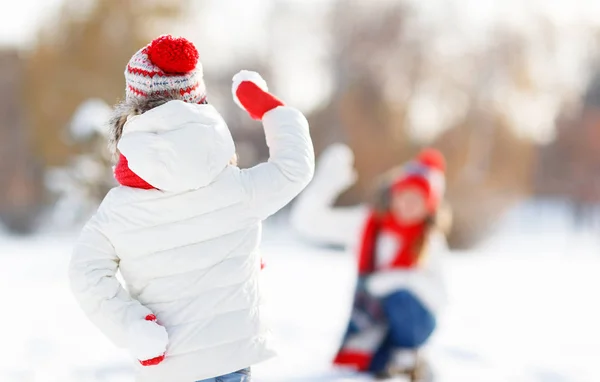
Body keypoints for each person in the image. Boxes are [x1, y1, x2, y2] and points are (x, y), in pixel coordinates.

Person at [68, 35, 314, 382]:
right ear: (199, 102)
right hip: (233, 356)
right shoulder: (236, 189)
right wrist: (272, 111)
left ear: (132, 111)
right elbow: (294, 169)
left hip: (170, 364)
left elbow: (85, 272)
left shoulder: (121, 209)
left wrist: (132, 328)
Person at [290, 145, 450, 379]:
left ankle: (409, 355)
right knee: (365, 369)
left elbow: (439, 297)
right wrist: (327, 182)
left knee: (401, 297)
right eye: (405, 194)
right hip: (373, 319)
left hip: (416, 322)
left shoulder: (431, 240)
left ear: (429, 207)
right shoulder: (365, 223)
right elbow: (306, 222)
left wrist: (397, 280)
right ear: (394, 194)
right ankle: (393, 360)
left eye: (418, 199)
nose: (409, 204)